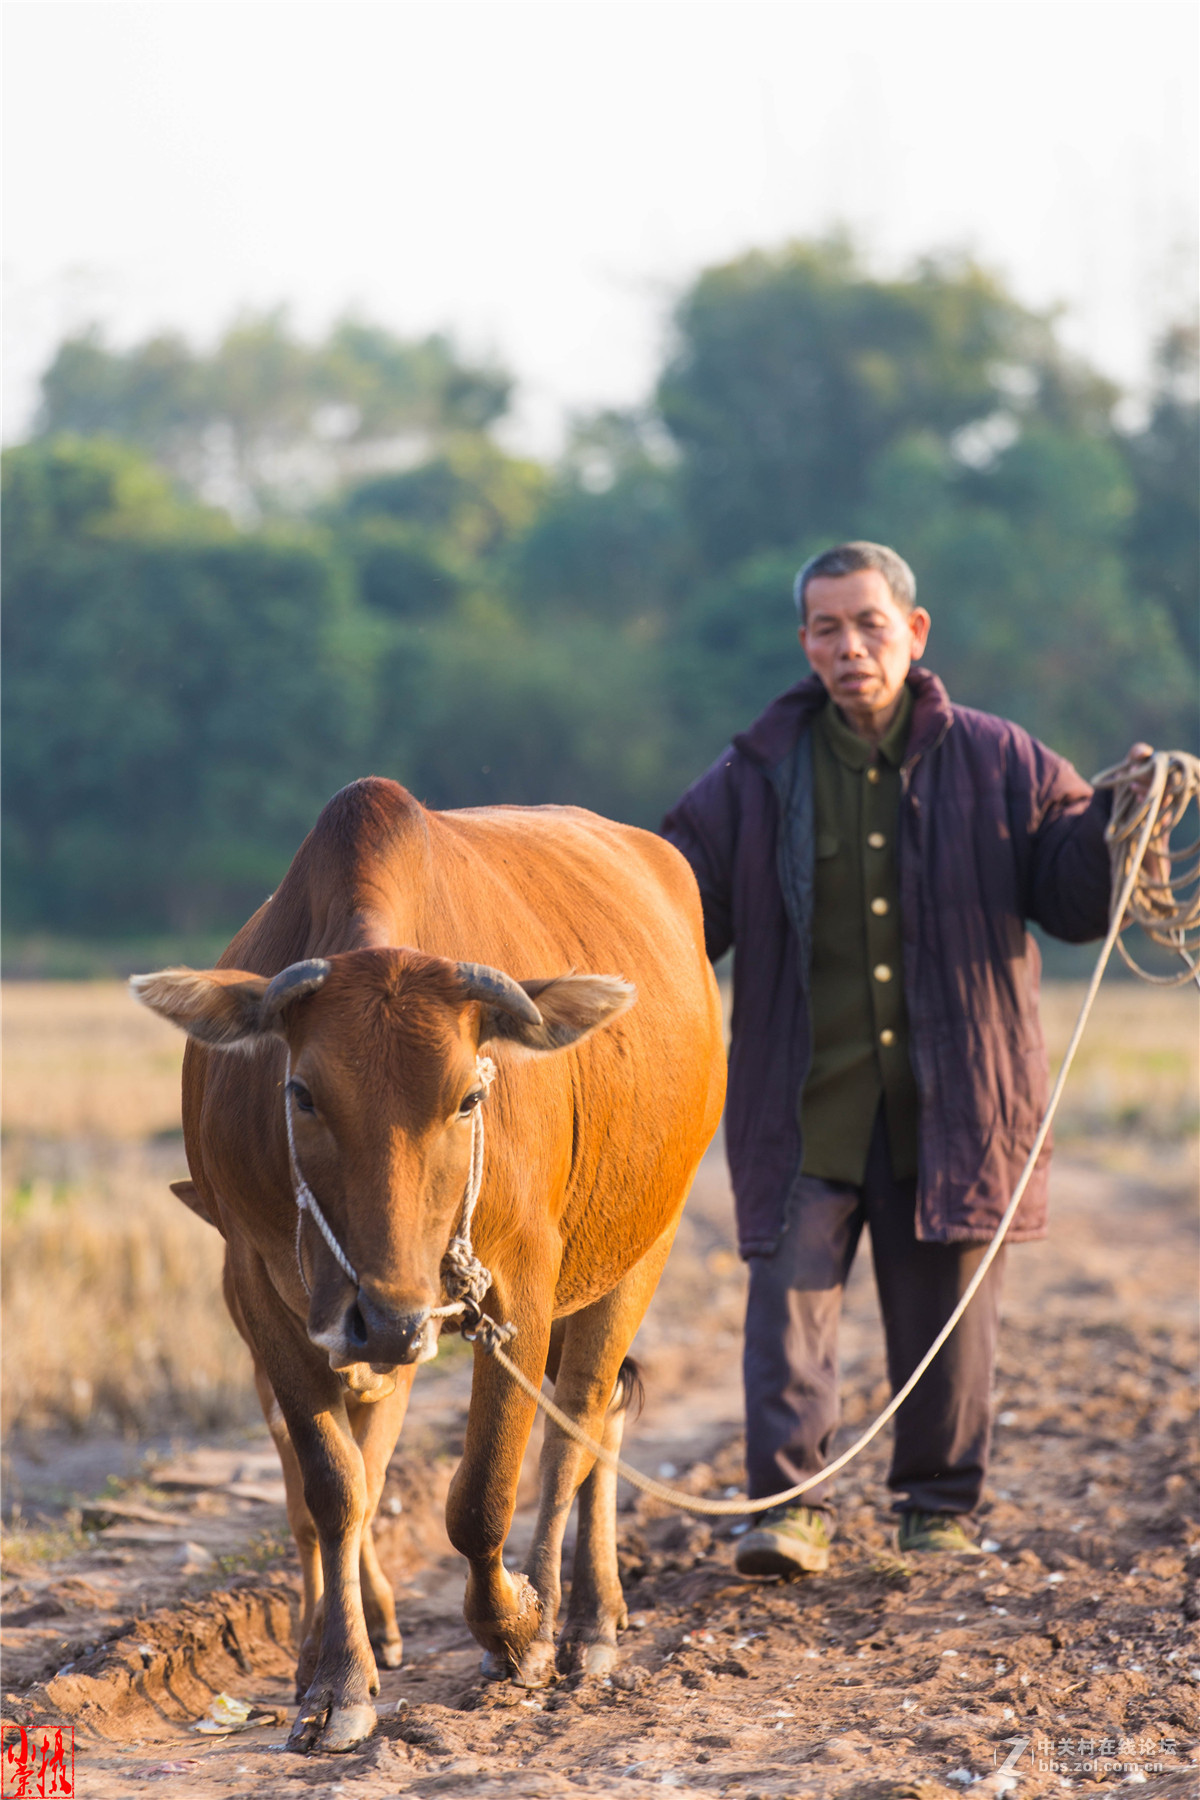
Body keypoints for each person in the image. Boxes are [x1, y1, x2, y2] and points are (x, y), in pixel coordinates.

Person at [663, 540, 1150, 1573]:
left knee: (949, 1324)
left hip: (957, 1106)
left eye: (869, 625)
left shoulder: (1004, 761)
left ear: (913, 632)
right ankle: (788, 1511)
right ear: (804, 645)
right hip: (803, 1108)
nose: (850, 648)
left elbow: (1071, 902)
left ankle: (938, 1512)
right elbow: (674, 905)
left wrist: (1119, 820)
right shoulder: (751, 781)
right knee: (786, 1312)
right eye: (828, 629)